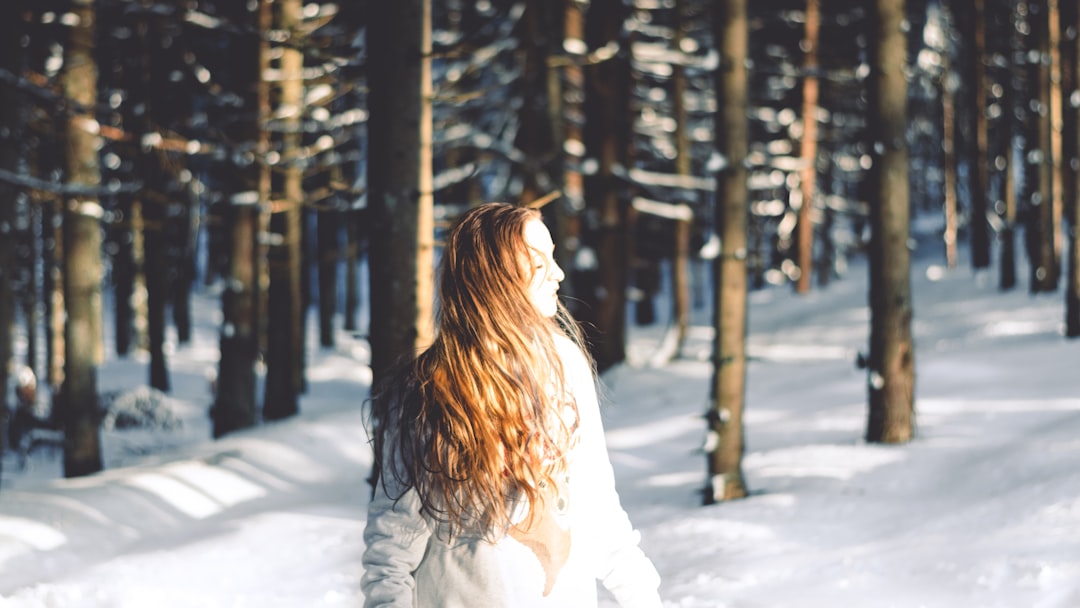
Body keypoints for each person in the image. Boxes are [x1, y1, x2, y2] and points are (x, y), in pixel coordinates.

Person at [362, 202, 662, 607]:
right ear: (496, 278)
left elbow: (597, 505)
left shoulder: (564, 364)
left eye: (553, 256)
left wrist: (642, 597)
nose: (558, 274)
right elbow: (392, 546)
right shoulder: (429, 386)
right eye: (539, 262)